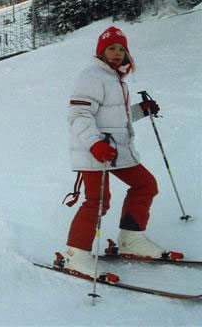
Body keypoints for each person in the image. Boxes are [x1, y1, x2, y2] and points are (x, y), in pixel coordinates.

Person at [61, 26, 169, 278]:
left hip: (116, 151)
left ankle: (131, 239)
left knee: (145, 185)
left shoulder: (115, 78)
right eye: (111, 48)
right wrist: (95, 143)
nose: (117, 53)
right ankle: (76, 256)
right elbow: (78, 114)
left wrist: (142, 110)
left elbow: (116, 117)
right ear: (101, 51)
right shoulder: (91, 75)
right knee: (97, 201)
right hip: (93, 149)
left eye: (122, 49)